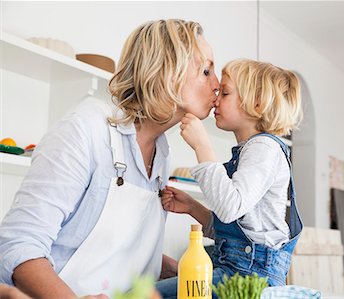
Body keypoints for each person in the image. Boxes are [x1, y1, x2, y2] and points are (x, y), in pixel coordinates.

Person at [0, 19, 219, 298]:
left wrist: (180, 270)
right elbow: (18, 245)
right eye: (206, 70)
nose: (217, 84)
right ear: (167, 72)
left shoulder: (162, 151)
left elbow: (116, 248)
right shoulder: (87, 128)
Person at [156, 59, 304, 298]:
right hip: (238, 267)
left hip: (248, 276)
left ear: (257, 103)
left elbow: (229, 208)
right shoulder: (252, 151)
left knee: (142, 294)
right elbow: (239, 231)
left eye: (224, 93)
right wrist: (193, 208)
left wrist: (202, 145)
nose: (216, 98)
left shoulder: (263, 148)